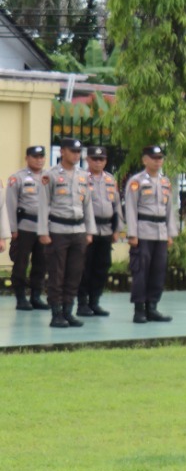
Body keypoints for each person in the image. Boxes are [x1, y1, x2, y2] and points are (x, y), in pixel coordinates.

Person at [40, 137, 91, 328]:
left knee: (74, 273)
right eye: (72, 151)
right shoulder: (50, 175)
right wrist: (43, 232)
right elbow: (43, 205)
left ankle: (68, 311)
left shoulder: (84, 175)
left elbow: (88, 205)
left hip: (78, 230)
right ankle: (56, 313)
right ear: (62, 152)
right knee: (57, 273)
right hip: (58, 230)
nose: (76, 155)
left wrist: (89, 231)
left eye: (78, 152)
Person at [124, 145, 178, 324]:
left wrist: (170, 233)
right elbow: (131, 208)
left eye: (160, 158)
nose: (157, 161)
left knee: (158, 271)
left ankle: (152, 306)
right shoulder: (136, 181)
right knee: (141, 271)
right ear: (144, 160)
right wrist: (132, 233)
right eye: (153, 158)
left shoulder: (165, 182)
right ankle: (139, 309)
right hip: (143, 231)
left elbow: (170, 209)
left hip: (161, 232)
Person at [76, 145, 122, 318]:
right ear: (87, 160)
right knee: (84, 267)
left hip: (105, 230)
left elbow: (116, 205)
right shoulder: (81, 178)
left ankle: (95, 301)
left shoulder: (110, 180)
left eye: (101, 159)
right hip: (87, 229)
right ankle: (82, 303)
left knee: (102, 266)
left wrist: (117, 229)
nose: (98, 162)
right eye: (94, 159)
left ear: (106, 161)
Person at [7, 145, 50, 311]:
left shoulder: (50, 177)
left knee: (41, 262)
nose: (39, 160)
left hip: (44, 227)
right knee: (21, 262)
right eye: (35, 156)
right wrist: (13, 228)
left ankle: (36, 296)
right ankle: (20, 297)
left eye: (41, 157)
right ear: (27, 158)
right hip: (24, 226)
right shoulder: (17, 178)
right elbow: (11, 205)